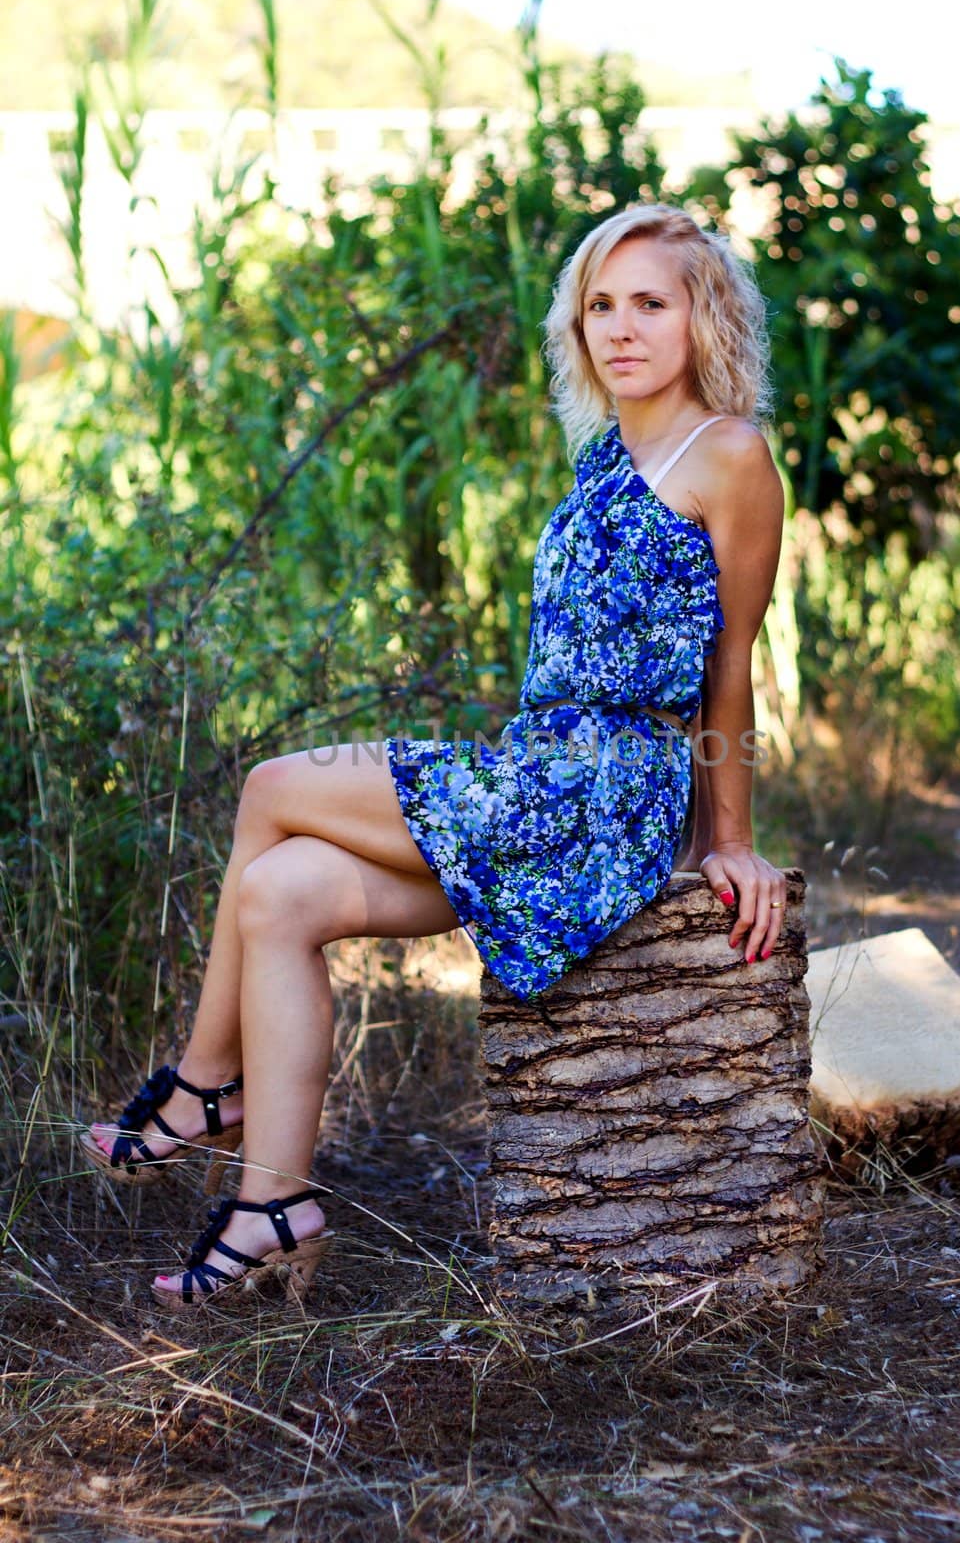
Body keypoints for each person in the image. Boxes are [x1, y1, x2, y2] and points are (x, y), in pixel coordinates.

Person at [79, 202, 788, 1309]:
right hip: (540, 769)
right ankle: (273, 1203)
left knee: (273, 787)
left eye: (650, 303)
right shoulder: (604, 456)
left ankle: (201, 1084)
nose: (619, 328)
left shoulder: (729, 454)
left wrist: (729, 840)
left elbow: (731, 660)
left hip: (600, 790)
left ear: (704, 319)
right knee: (277, 892)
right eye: (598, 305)